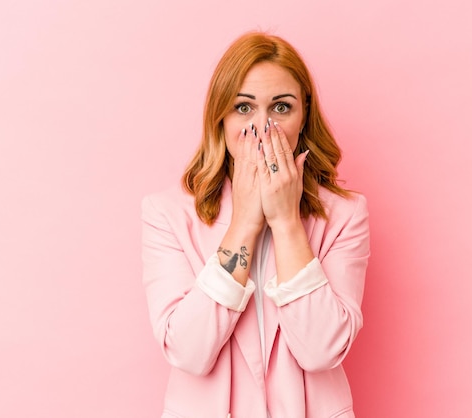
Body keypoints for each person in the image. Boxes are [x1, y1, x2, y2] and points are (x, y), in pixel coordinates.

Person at [141, 31, 370, 418]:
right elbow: (188, 352)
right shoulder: (166, 214)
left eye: (281, 108)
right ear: (221, 117)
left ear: (304, 115)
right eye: (244, 108)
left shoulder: (345, 215)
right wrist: (245, 221)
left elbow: (321, 350)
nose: (262, 127)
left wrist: (285, 221)